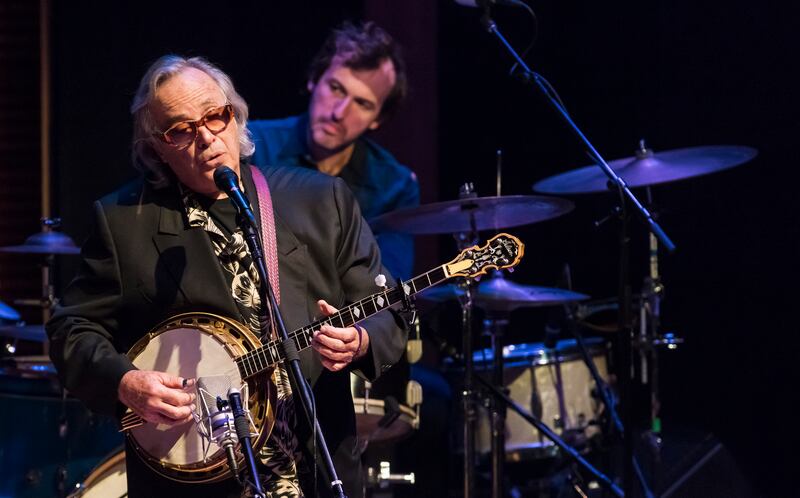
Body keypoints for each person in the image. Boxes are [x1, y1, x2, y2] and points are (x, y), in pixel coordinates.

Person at [46, 55, 408, 498]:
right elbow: (72, 328)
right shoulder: (126, 221)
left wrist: (361, 340)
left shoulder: (319, 200)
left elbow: (388, 307)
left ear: (235, 116)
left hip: (313, 464)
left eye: (216, 116)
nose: (206, 137)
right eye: (181, 130)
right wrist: (125, 382)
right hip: (194, 476)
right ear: (157, 147)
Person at [248, 21, 419, 281]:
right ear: (313, 80)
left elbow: (389, 286)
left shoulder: (394, 186)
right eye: (336, 88)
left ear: (378, 119)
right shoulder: (251, 144)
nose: (339, 113)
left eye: (362, 103)